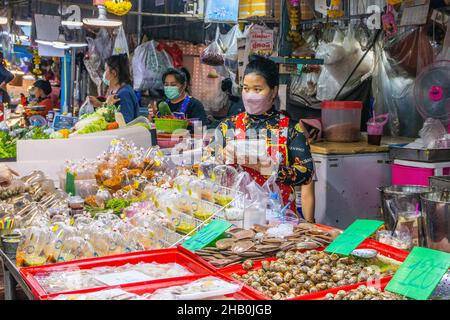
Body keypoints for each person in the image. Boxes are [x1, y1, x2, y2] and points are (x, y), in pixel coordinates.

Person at [214, 55, 314, 209]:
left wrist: (268, 169)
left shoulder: (291, 129)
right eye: (246, 89)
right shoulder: (228, 126)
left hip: (279, 217)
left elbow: (306, 173)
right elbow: (208, 164)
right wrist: (220, 158)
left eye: (257, 89)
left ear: (273, 91)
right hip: (235, 212)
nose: (249, 95)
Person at [89, 54, 139, 123]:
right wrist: (100, 104)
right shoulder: (117, 91)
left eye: (106, 70)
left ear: (114, 73)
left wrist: (107, 106)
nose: (104, 74)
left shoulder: (124, 94)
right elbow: (115, 111)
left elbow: (124, 123)